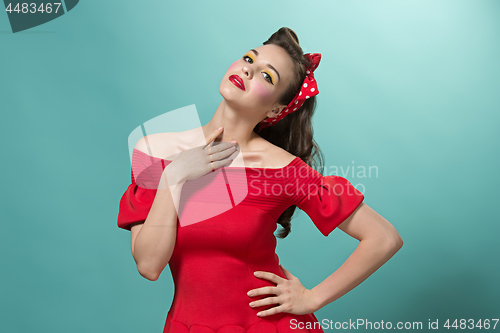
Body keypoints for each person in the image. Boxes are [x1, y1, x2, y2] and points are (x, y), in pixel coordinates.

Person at [117, 27, 403, 333]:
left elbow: (384, 238)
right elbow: (148, 265)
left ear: (276, 109)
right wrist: (174, 176)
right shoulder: (153, 149)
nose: (248, 70)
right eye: (248, 59)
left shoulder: (283, 169)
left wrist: (311, 298)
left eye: (267, 76)